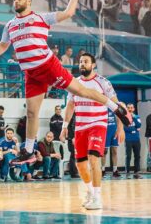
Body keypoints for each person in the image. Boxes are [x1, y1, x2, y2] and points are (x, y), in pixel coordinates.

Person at [0, 0, 131, 166]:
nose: (16, 1)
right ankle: (28, 151)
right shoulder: (10, 25)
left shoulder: (41, 18)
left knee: (81, 91)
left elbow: (68, 13)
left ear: (29, 1)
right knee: (31, 113)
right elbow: (3, 45)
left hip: (48, 66)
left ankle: (117, 109)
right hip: (31, 73)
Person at [60, 53, 125, 210]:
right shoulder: (74, 83)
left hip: (98, 125)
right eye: (81, 61)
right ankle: (90, 192)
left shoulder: (103, 83)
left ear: (93, 65)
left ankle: (97, 196)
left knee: (93, 158)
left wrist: (120, 127)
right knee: (81, 164)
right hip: (80, 127)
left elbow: (118, 106)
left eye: (86, 62)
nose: (82, 64)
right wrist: (64, 126)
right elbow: (70, 106)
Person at [101, 110, 121, 178]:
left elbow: (119, 119)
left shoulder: (114, 108)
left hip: (114, 132)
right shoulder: (102, 108)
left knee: (114, 151)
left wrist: (118, 130)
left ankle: (115, 171)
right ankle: (103, 170)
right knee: (104, 152)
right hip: (105, 132)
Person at [124, 103, 142, 179]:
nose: (130, 109)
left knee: (137, 156)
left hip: (136, 139)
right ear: (127, 109)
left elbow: (139, 125)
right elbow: (125, 129)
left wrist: (134, 118)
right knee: (128, 156)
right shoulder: (124, 118)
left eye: (131, 107)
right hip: (128, 140)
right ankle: (127, 172)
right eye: (128, 108)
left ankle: (136, 172)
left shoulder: (137, 117)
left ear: (133, 109)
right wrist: (134, 129)